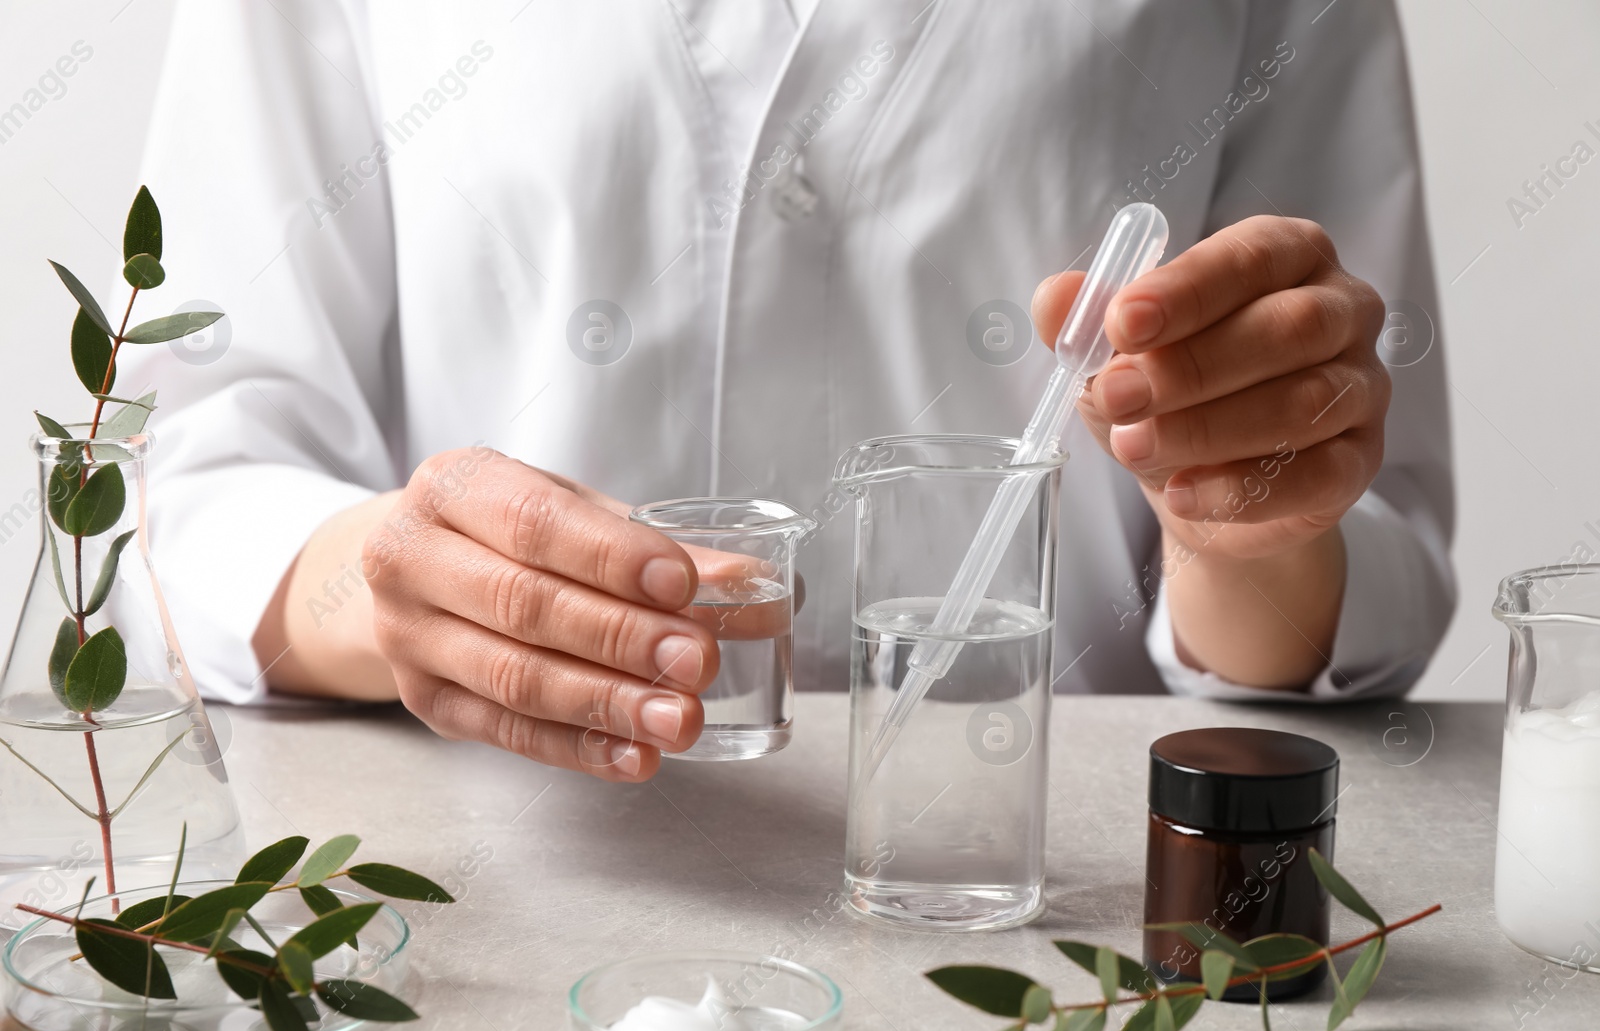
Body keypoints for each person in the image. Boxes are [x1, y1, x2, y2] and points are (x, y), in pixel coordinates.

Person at [123, 1, 1454, 783]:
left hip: (1047, 906)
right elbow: (200, 463)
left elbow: (1362, 541)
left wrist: (1248, 518)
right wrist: (399, 583)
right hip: (493, 873)